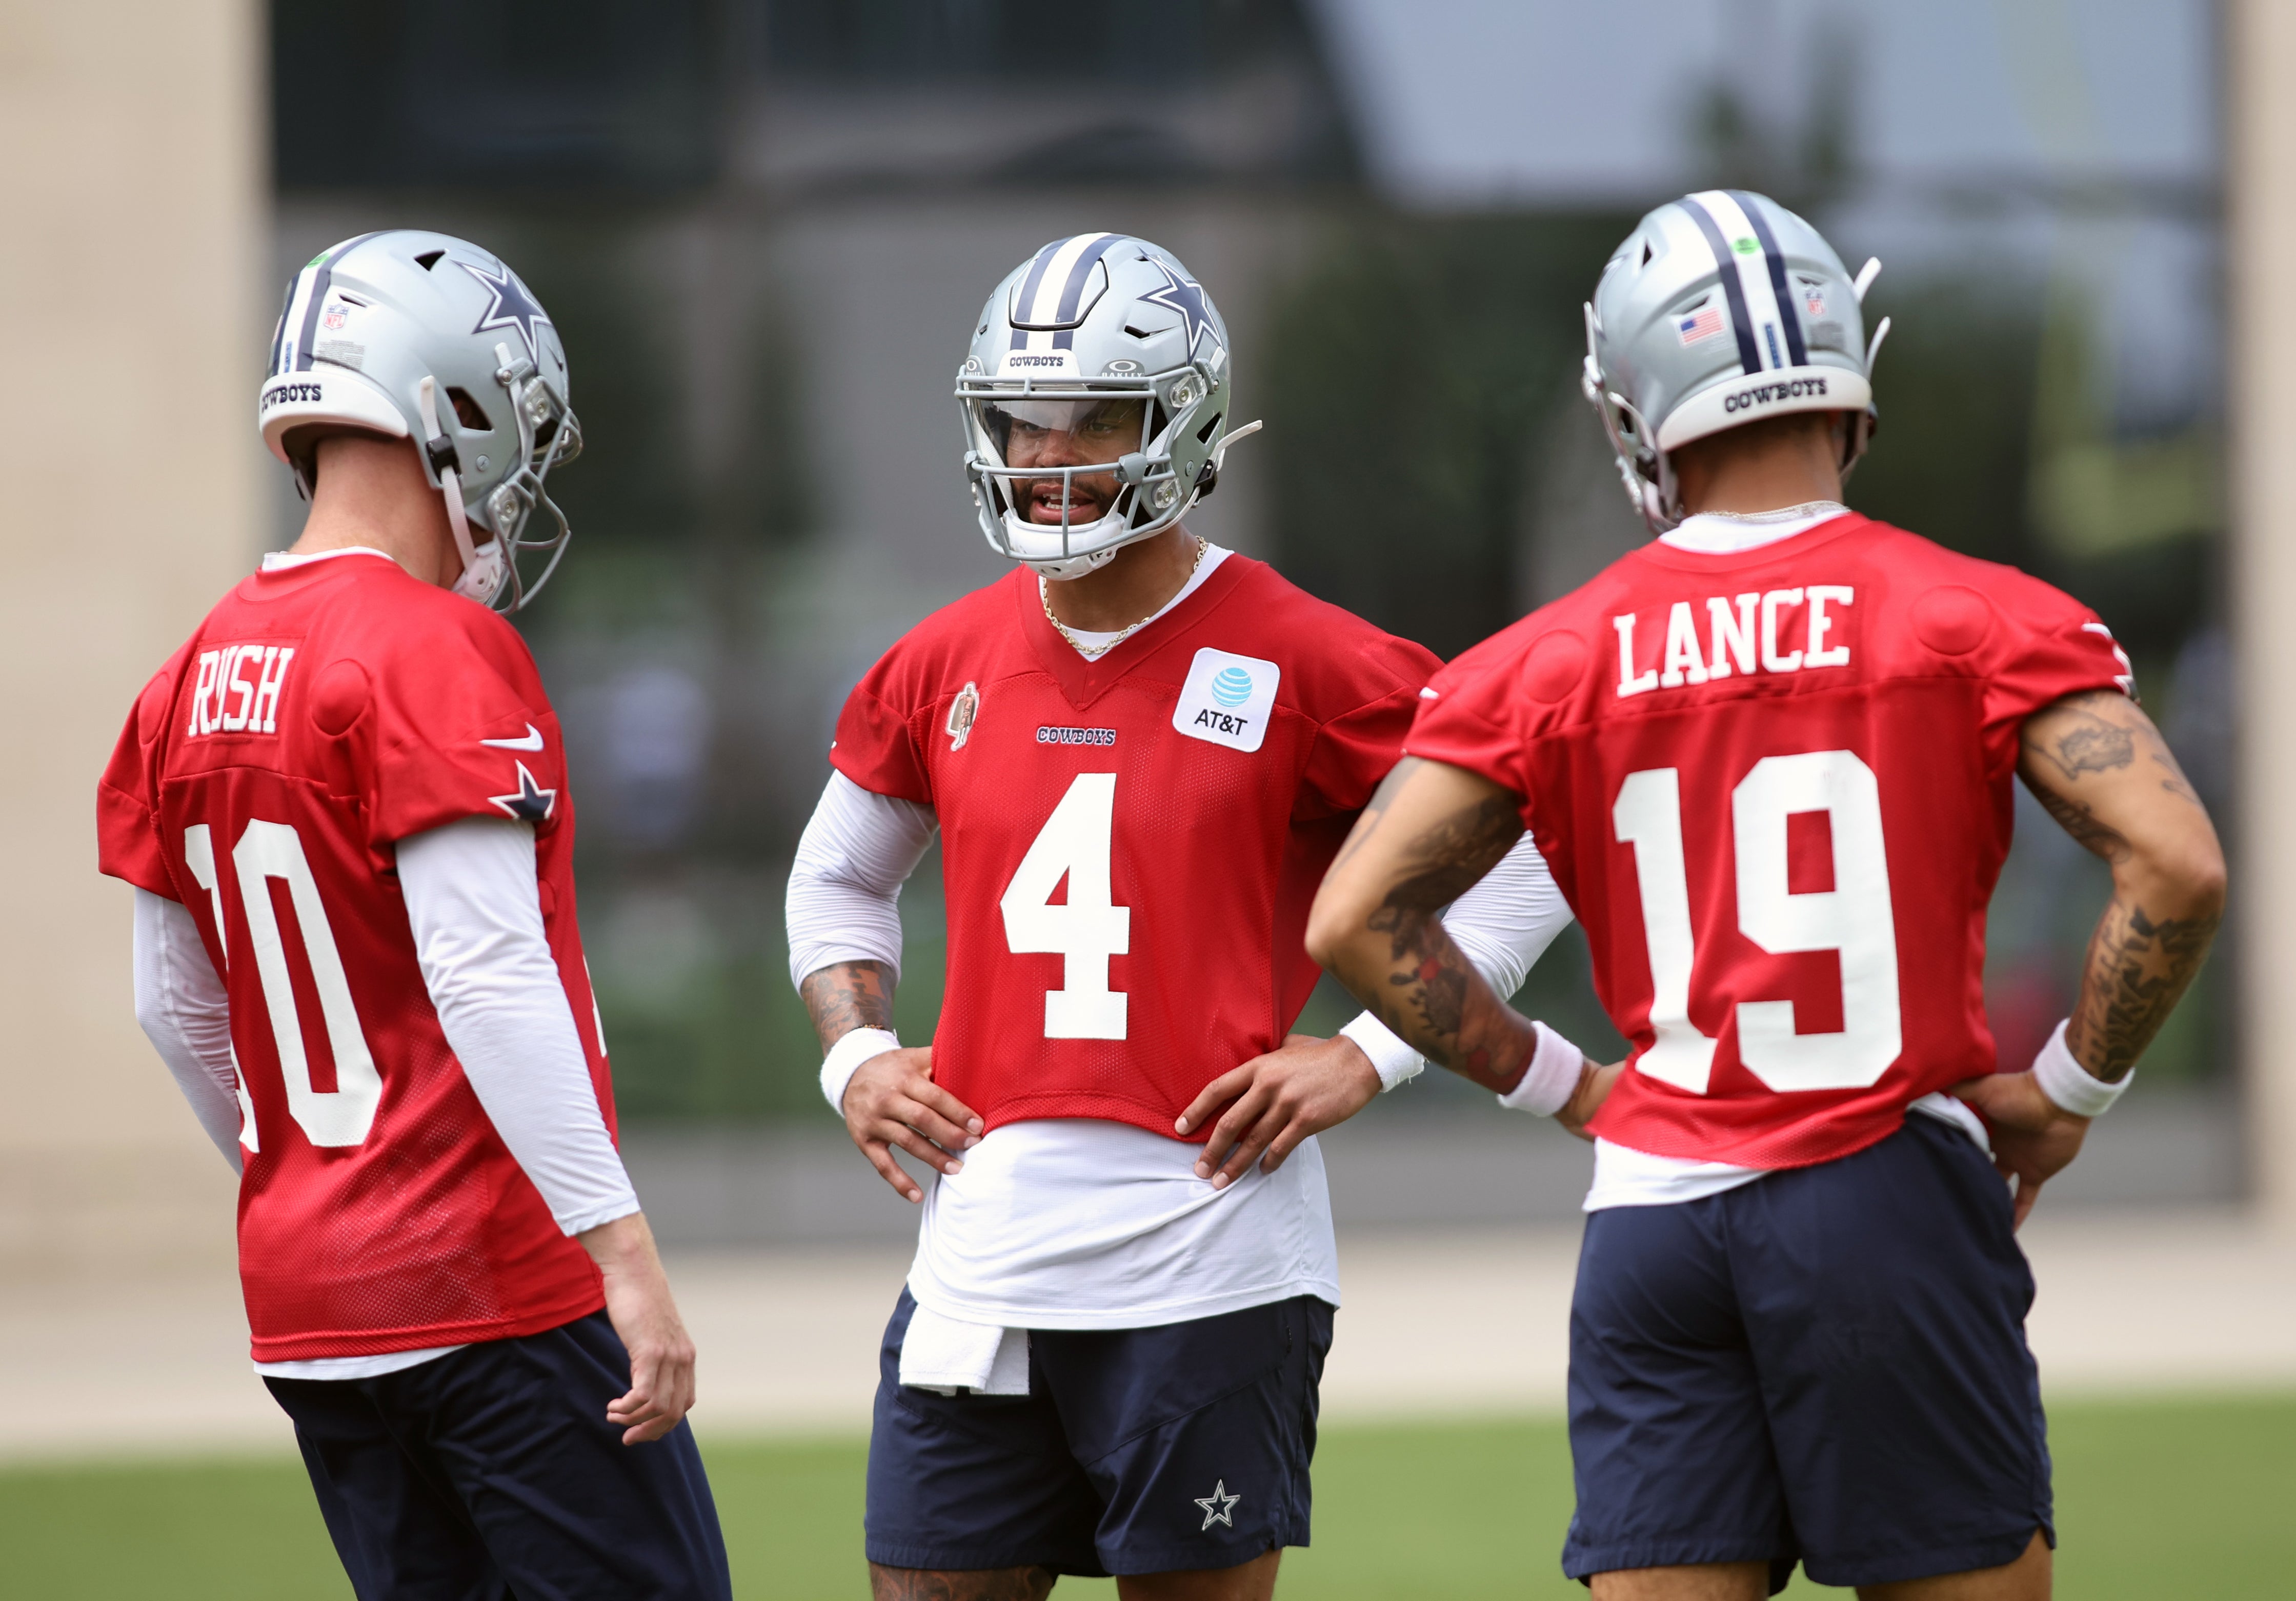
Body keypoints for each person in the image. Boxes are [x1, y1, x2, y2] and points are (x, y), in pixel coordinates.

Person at [1302, 191, 2227, 1599]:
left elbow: (1351, 918)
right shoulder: (1971, 615)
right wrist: (2069, 1090)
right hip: (1882, 1194)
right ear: (1847, 372)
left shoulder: (1549, 655)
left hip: (1653, 1221)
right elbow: (2176, 861)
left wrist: (1561, 1081)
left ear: (1638, 406)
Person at [784, 231, 1568, 1600]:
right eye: (1022, 423)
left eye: (1096, 419)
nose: (1050, 455)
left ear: (1186, 424)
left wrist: (1368, 1052)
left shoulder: (1309, 654)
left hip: (1205, 1252)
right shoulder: (939, 659)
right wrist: (855, 1056)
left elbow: (1535, 838)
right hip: (979, 1261)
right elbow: (836, 876)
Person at [96, 231, 731, 1601]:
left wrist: (324, 1189)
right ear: (449, 404)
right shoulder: (430, 645)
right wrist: (622, 1251)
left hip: (311, 1304)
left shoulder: (183, 676)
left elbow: (174, 1005)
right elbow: (484, 969)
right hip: (490, 1282)